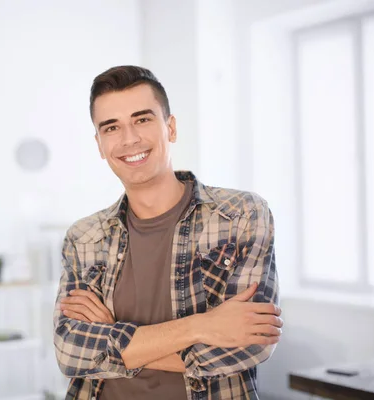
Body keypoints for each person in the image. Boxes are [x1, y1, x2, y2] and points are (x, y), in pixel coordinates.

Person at [53, 65, 281, 400]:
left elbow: (250, 345)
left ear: (170, 128)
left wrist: (109, 338)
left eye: (142, 119)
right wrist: (202, 326)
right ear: (100, 144)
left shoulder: (241, 215)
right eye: (112, 127)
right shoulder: (83, 237)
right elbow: (70, 352)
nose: (129, 139)